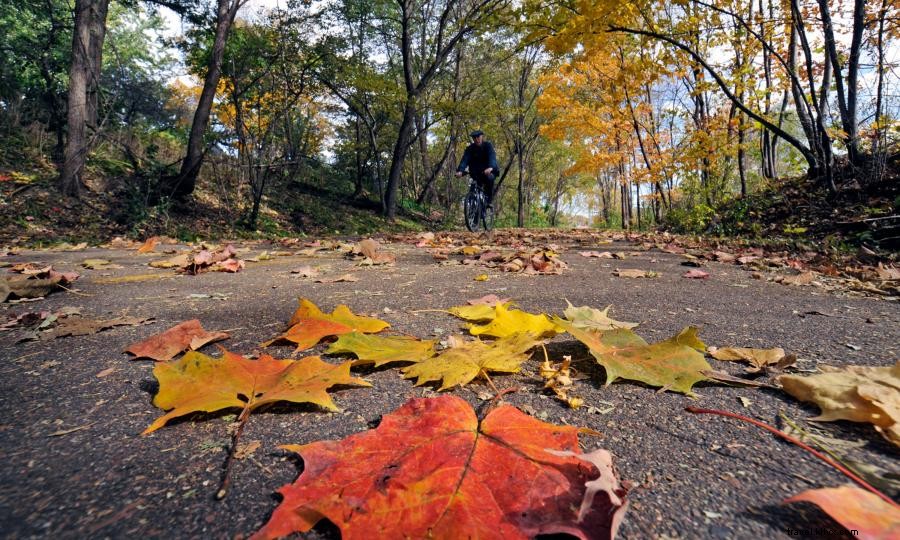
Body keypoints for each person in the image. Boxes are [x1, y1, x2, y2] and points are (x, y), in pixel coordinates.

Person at [455, 130, 499, 208]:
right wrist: (460, 171)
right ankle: (473, 209)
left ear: (481, 137)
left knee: (489, 179)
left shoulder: (488, 146)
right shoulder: (470, 149)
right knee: (473, 187)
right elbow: (465, 160)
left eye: (478, 137)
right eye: (474, 138)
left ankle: (488, 201)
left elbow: (492, 157)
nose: (476, 139)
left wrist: (490, 167)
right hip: (476, 173)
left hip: (488, 172)